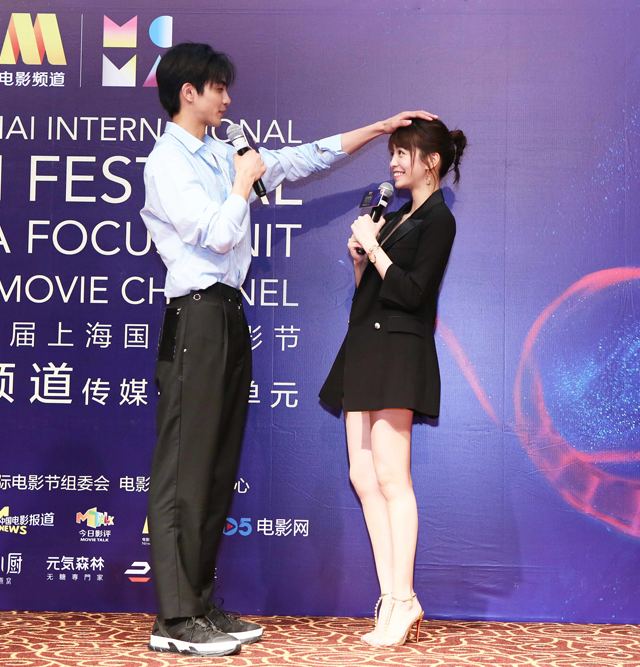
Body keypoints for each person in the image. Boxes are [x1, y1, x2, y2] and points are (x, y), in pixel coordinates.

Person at [140, 41, 436, 657]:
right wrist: (242, 182)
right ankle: (175, 619)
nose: (228, 99)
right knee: (185, 469)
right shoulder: (168, 161)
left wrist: (376, 128)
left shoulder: (223, 151)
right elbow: (217, 235)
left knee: (216, 466)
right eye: (218, 88)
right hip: (194, 317)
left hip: (228, 313)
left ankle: (199, 604)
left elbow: (302, 159)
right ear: (188, 93)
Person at [319, 118, 466, 647]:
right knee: (362, 476)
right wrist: (362, 261)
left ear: (431, 161)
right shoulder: (399, 216)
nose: (393, 162)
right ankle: (391, 597)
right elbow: (374, 293)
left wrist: (376, 250)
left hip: (398, 354)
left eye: (404, 153)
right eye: (393, 153)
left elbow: (414, 293)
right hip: (365, 348)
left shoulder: (439, 220)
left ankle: (404, 599)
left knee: (391, 477)